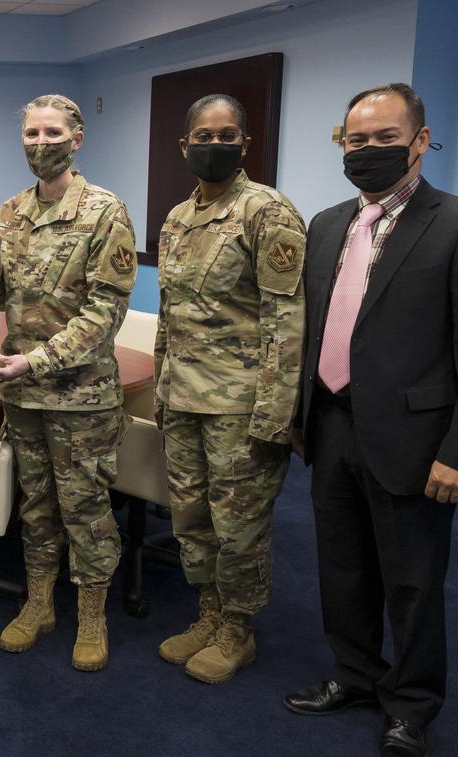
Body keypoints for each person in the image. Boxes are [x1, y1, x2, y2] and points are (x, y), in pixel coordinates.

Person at [284, 83, 458, 757]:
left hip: (416, 442)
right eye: (356, 140)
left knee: (413, 581)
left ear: (419, 141)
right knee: (342, 567)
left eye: (385, 138)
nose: (368, 150)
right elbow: (316, 329)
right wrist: (301, 415)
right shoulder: (327, 224)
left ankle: (411, 705)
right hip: (331, 425)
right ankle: (355, 675)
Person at [152, 95, 306, 684]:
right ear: (184, 145)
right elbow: (169, 315)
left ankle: (238, 631)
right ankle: (210, 614)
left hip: (240, 407)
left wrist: (274, 415)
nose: (213, 144)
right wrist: (161, 386)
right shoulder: (177, 218)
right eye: (203, 135)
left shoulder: (266, 212)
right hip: (183, 397)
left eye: (226, 135)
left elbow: (286, 321)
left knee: (238, 526)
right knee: (191, 518)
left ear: (245, 143)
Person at [0, 94, 136, 672]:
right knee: (36, 504)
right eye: (32, 134)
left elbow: (104, 316)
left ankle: (93, 614)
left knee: (86, 508)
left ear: (77, 139)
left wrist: (35, 361)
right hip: (23, 394)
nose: (41, 143)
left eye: (52, 133)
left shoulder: (104, 211)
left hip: (81, 396)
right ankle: (40, 602)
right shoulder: (9, 212)